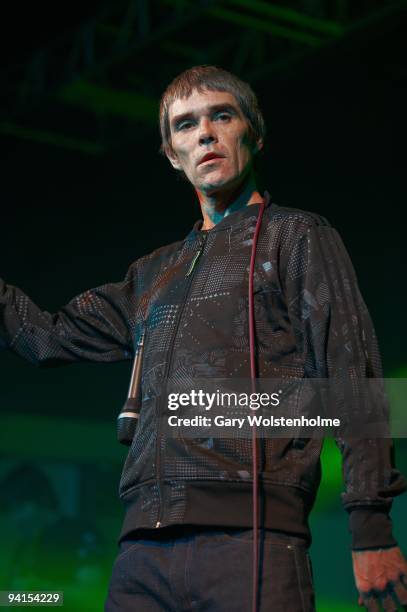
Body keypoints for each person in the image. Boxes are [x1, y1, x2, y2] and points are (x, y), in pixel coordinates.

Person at [1, 65, 407, 611]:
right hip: (141, 550)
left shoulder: (299, 236)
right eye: (186, 125)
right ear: (172, 153)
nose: (206, 134)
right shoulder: (152, 274)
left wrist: (371, 526)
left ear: (253, 133)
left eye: (222, 115)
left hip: (250, 541)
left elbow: (350, 369)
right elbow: (42, 336)